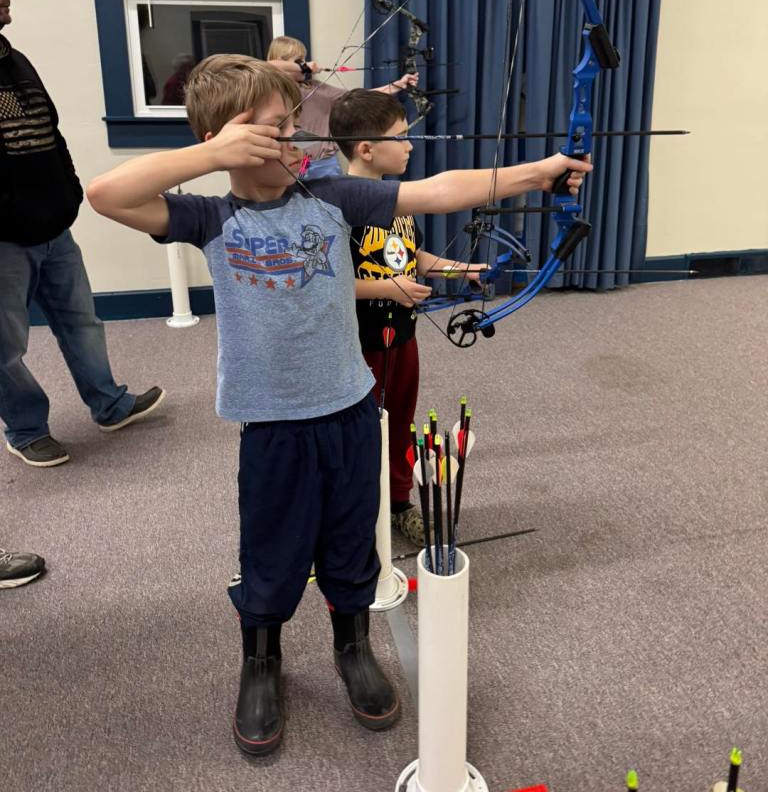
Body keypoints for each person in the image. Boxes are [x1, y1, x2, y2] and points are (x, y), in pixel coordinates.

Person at [85, 55, 590, 757]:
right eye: (271, 130)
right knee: (272, 553)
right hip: (273, 426)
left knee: (354, 542)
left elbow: (439, 191)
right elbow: (105, 193)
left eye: (293, 125)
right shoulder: (210, 216)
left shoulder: (331, 197)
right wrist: (210, 154)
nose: (294, 141)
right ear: (228, 139)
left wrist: (536, 173)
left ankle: (352, 647)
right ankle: (261, 660)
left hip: (353, 410)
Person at [0, 0, 166, 467]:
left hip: (55, 226)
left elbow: (54, 131)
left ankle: (109, 404)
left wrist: (69, 193)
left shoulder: (15, 59)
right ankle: (26, 429)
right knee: (5, 347)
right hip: (4, 240)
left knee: (82, 323)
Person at [330, 89, 486, 545]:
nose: (410, 145)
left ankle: (398, 503)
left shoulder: (395, 201)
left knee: (400, 421)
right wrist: (387, 288)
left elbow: (409, 254)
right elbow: (327, 282)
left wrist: (463, 268)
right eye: (400, 137)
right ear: (366, 149)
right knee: (359, 433)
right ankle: (353, 517)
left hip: (403, 338)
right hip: (357, 345)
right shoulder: (338, 206)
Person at [266, 35, 418, 179]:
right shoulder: (274, 88)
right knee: (303, 198)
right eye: (298, 61)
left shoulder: (315, 87)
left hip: (326, 162)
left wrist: (398, 85)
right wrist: (302, 66)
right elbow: (269, 66)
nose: (304, 65)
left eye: (304, 60)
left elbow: (358, 97)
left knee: (333, 202)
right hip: (301, 162)